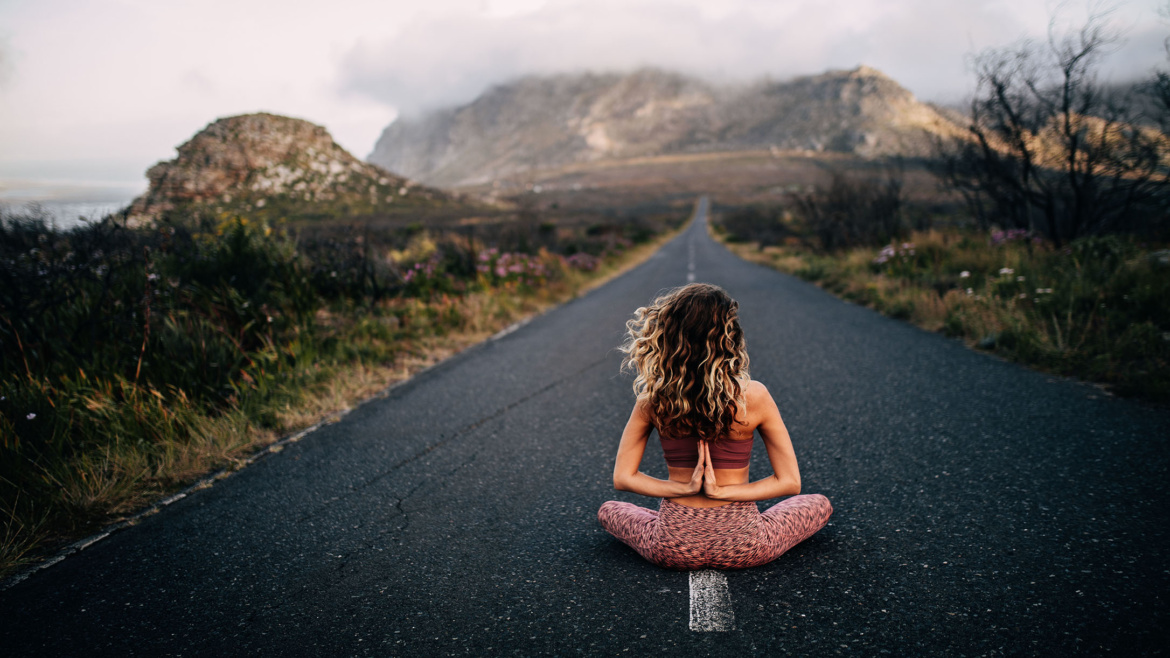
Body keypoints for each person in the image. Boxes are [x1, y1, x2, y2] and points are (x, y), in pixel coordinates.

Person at [598, 283, 832, 570]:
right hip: (745, 543)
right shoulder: (754, 395)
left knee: (610, 510)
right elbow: (790, 482)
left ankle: (664, 521)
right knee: (818, 503)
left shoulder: (652, 399)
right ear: (729, 337)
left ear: (667, 336)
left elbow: (623, 478)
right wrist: (723, 493)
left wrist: (682, 488)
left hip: (673, 545)